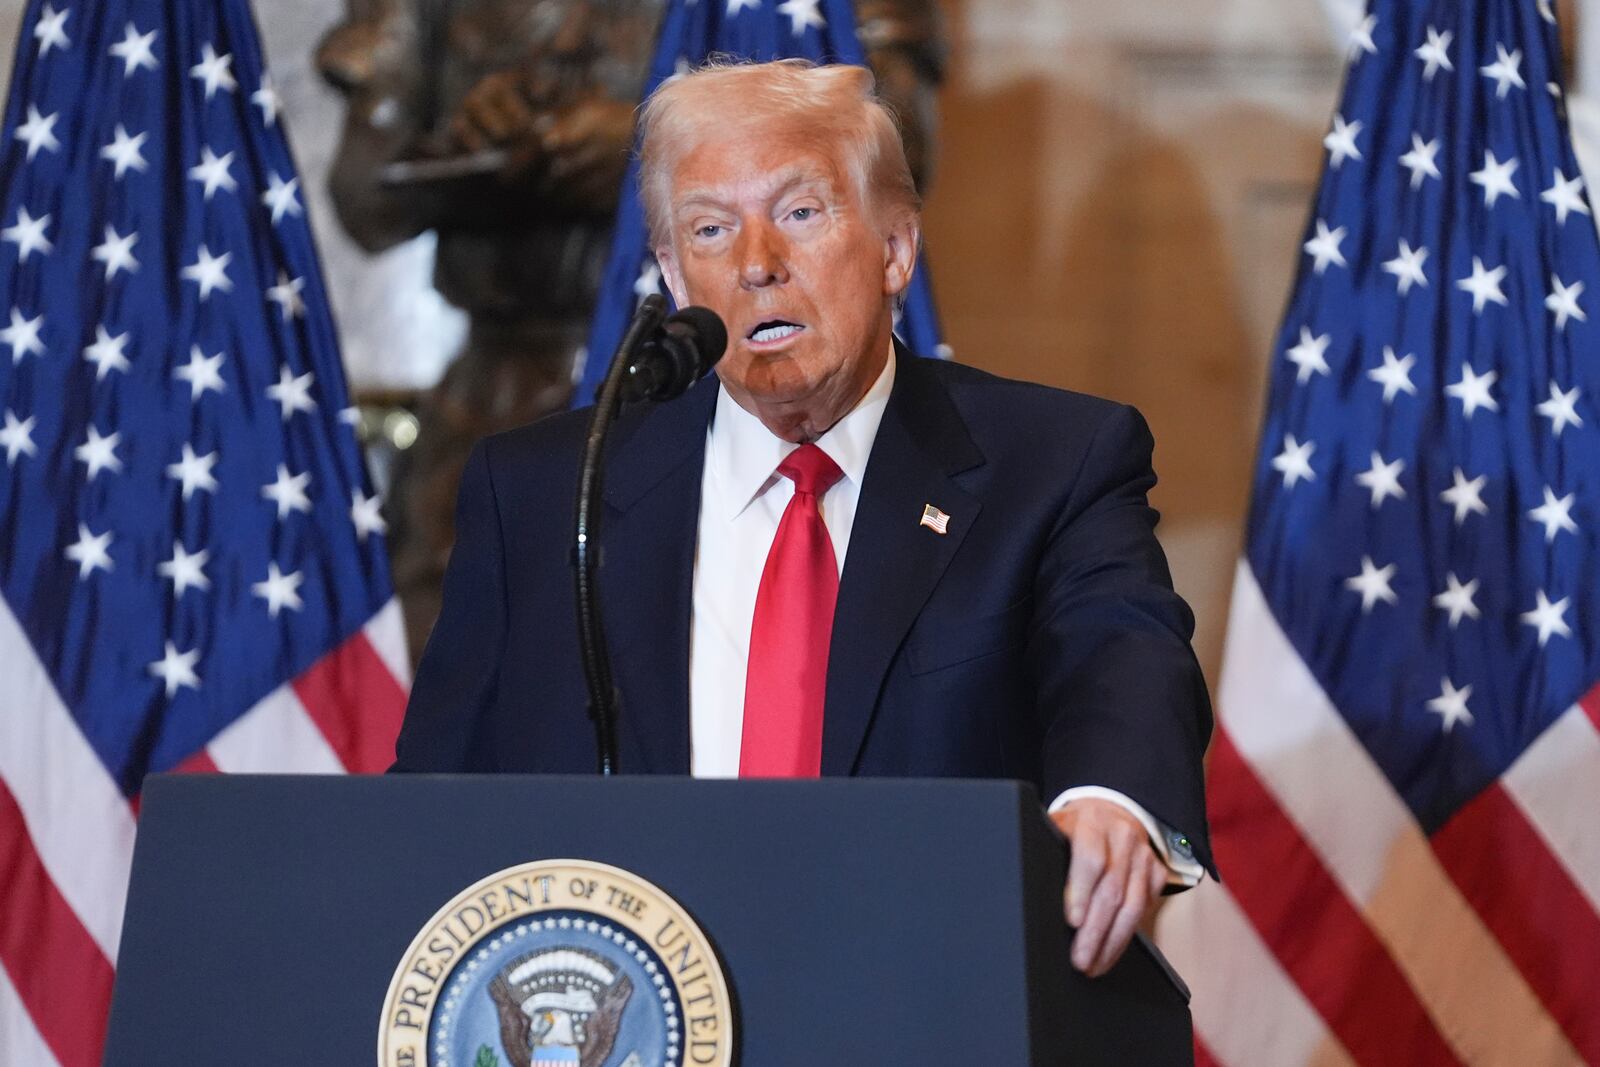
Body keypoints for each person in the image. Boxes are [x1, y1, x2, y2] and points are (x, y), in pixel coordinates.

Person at [394, 59, 1215, 978]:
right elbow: (432, 810)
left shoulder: (1052, 461)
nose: (756, 263)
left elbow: (1123, 653)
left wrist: (1112, 796)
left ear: (897, 248)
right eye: (710, 228)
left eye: (799, 212)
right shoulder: (546, 493)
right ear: (672, 276)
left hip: (927, 998)